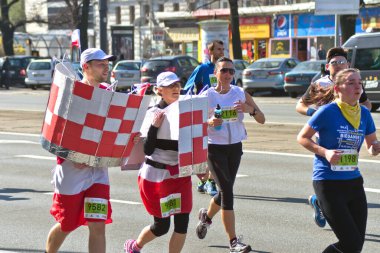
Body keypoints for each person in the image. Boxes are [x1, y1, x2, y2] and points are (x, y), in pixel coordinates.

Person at [297, 68, 380, 253]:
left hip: (353, 182)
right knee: (350, 243)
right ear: (337, 89)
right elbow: (302, 137)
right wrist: (325, 152)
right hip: (328, 183)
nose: (357, 86)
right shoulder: (327, 111)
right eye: (351, 83)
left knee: (356, 245)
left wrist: (375, 147)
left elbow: (371, 145)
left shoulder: (364, 114)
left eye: (359, 82)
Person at [45, 48, 116, 253]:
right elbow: (55, 131)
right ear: (86, 67)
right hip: (72, 170)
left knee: (97, 224)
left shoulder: (108, 92)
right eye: (100, 64)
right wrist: (72, 154)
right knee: (67, 224)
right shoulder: (70, 93)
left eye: (106, 63)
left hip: (98, 171)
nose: (106, 67)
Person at [295, 47, 372, 228]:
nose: (338, 65)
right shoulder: (319, 83)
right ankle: (323, 200)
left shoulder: (353, 82)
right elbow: (300, 105)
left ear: (348, 64)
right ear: (328, 66)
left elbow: (366, 103)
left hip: (348, 135)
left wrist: (362, 114)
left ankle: (319, 200)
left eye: (342, 62)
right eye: (334, 63)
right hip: (326, 134)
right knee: (328, 171)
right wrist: (313, 112)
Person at [196, 57, 265, 253]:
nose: (227, 75)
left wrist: (248, 109)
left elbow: (262, 119)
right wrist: (209, 122)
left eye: (231, 71)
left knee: (225, 191)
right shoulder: (207, 95)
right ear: (215, 73)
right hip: (214, 148)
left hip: (235, 148)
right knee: (227, 192)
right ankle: (234, 242)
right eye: (224, 70)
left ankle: (206, 218)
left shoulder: (240, 93)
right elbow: (193, 123)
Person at [124, 72, 193, 253]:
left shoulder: (187, 110)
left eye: (177, 84)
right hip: (157, 176)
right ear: (159, 90)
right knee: (162, 227)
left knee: (182, 223)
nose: (176, 88)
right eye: (171, 86)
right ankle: (135, 246)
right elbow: (147, 150)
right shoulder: (153, 113)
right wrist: (155, 127)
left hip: (179, 174)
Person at [183, 40, 225, 196]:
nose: (222, 52)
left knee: (215, 148)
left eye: (223, 49)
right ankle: (206, 181)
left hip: (220, 112)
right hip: (203, 113)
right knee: (205, 150)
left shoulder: (224, 69)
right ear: (211, 52)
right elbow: (188, 88)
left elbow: (230, 87)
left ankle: (209, 181)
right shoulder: (202, 69)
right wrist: (197, 99)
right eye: (219, 49)